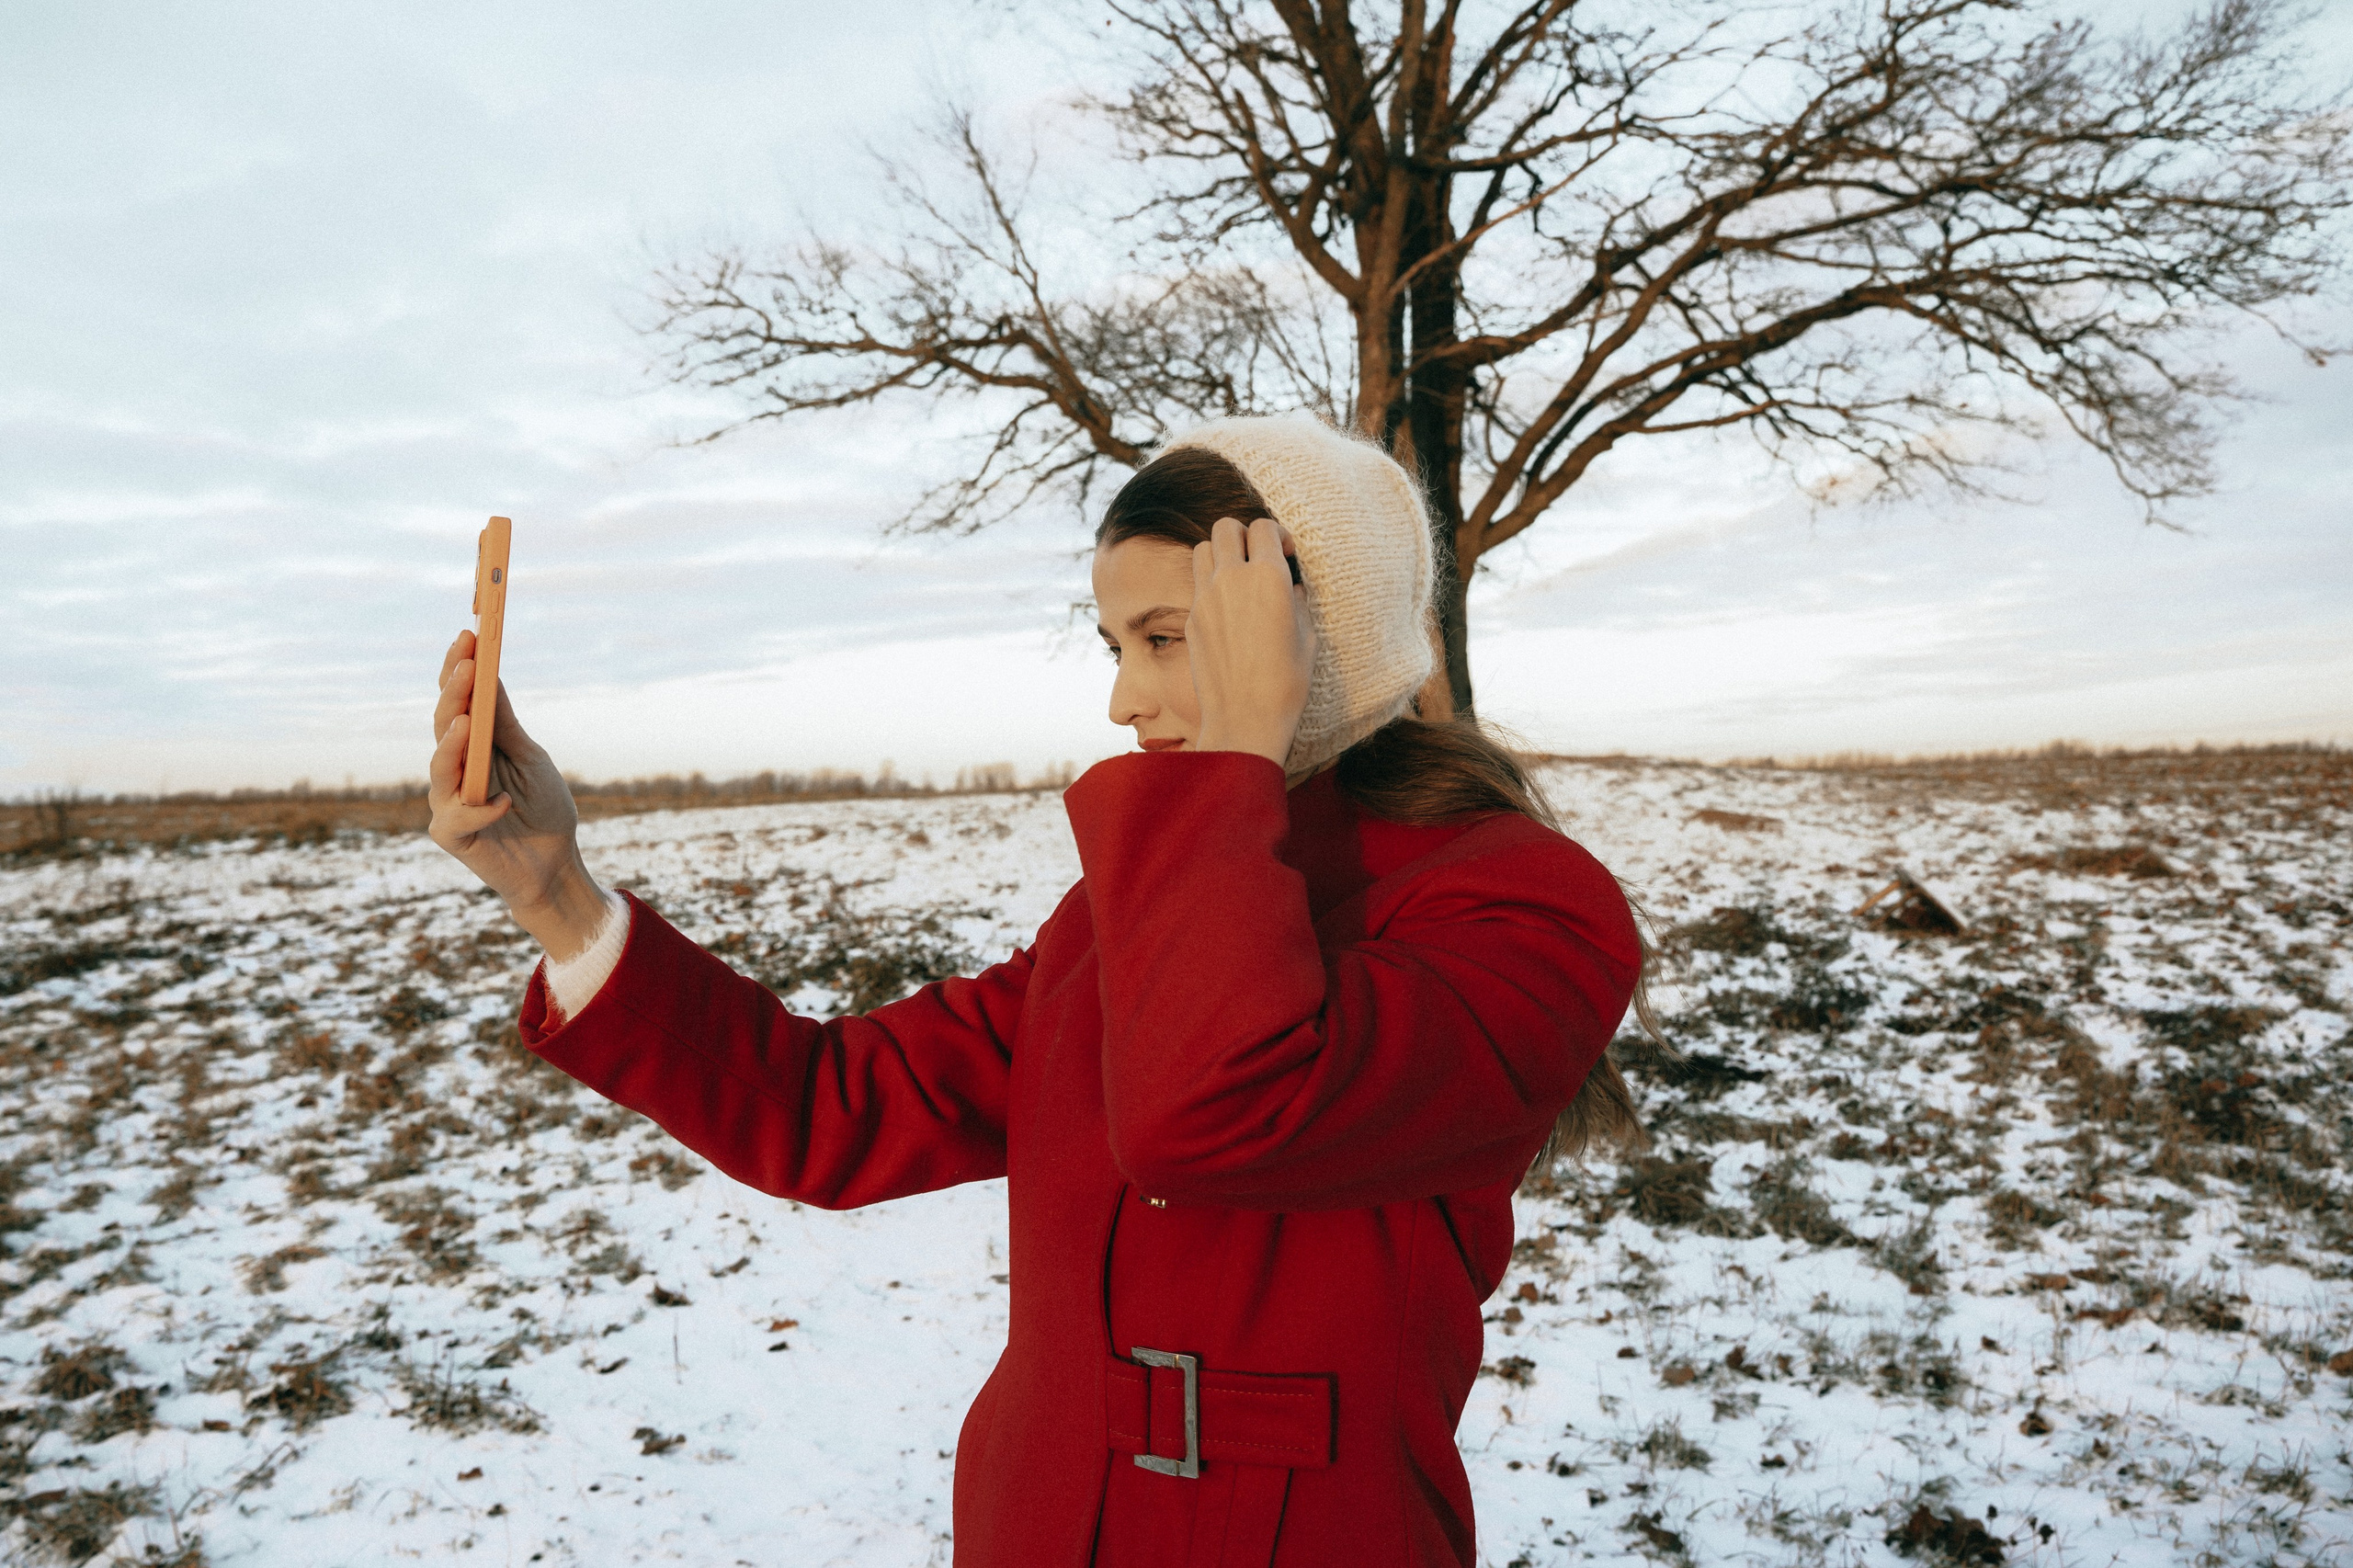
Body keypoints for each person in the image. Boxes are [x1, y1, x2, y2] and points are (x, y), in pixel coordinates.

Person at [426, 414, 1646, 1567]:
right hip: (1038, 1521)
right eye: (1117, 647)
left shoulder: (1526, 908)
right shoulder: (1125, 916)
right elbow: (827, 1106)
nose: (1123, 698)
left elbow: (1221, 1108)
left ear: (1309, 628)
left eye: (1169, 637)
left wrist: (1234, 757)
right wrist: (556, 891)